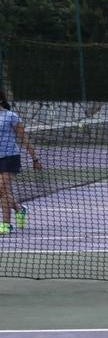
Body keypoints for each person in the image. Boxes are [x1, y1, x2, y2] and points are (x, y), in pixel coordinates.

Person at [0, 91, 41, 235]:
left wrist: (35, 159)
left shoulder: (11, 116)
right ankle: (19, 209)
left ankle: (6, 225)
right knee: (2, 190)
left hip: (10, 157)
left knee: (2, 187)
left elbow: (24, 139)